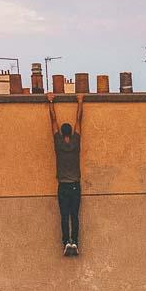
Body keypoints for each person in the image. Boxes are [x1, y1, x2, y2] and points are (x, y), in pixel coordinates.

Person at [48, 95, 84, 255]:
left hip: (63, 185)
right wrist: (80, 101)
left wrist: (50, 102)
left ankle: (65, 243)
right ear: (71, 133)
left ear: (62, 133)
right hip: (75, 185)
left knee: (64, 216)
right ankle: (75, 242)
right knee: (74, 216)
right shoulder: (76, 144)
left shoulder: (58, 144)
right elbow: (79, 120)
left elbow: (53, 122)